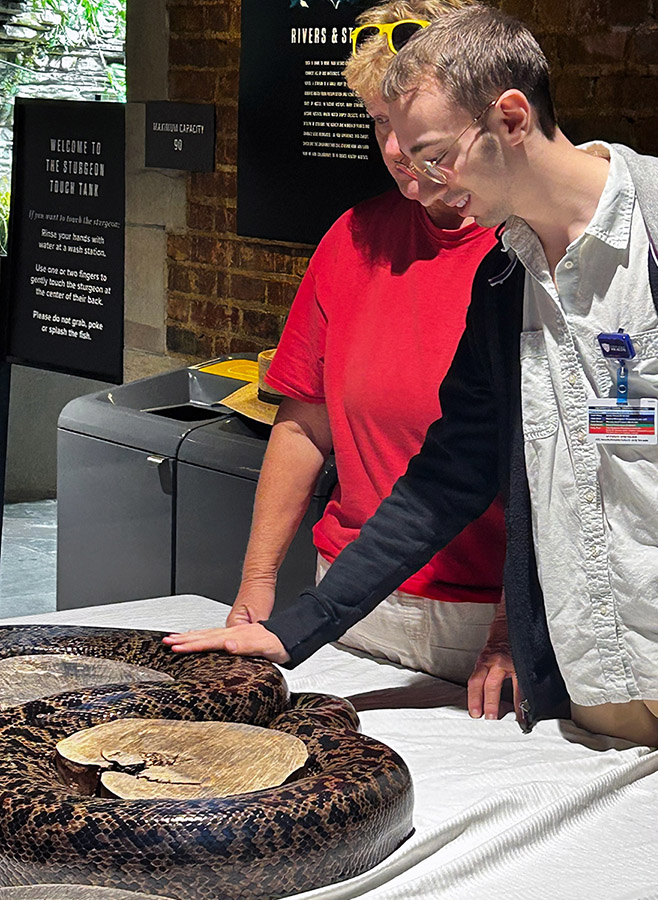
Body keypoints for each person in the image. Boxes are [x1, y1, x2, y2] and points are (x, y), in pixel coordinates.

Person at [166, 7, 658, 797]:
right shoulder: (509, 273)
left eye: (437, 156)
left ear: (510, 116)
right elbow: (447, 479)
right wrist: (296, 630)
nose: (426, 184)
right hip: (592, 666)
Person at [188, 0, 506, 687]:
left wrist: (516, 625)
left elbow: (558, 465)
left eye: (413, 127)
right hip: (349, 601)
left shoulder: (526, 249)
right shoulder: (354, 238)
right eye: (379, 123)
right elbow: (304, 423)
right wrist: (259, 581)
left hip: (484, 620)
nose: (395, 149)